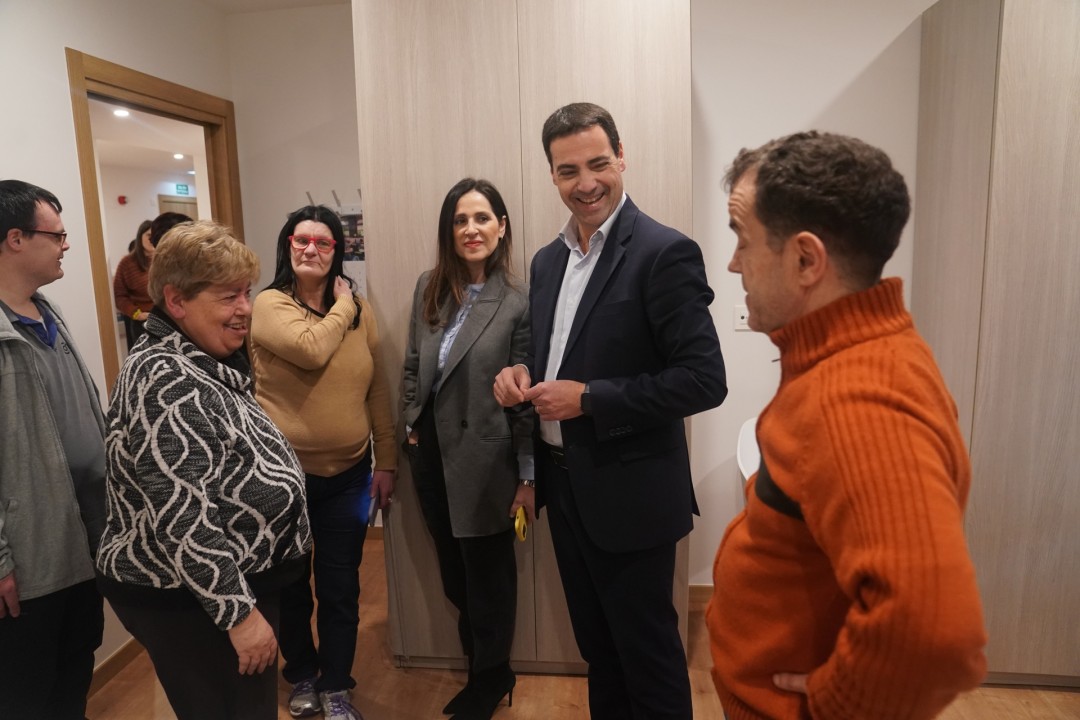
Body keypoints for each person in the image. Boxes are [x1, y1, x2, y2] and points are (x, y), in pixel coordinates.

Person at [707, 131, 988, 719]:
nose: (733, 263)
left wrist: (835, 706)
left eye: (742, 239)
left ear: (806, 260)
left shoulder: (855, 395)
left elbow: (937, 633)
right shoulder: (853, 359)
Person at [494, 102, 728, 719]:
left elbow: (703, 381)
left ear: (622, 158)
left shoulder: (664, 252)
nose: (586, 183)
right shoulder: (547, 261)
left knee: (648, 660)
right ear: (552, 175)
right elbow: (550, 355)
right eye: (568, 170)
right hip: (565, 490)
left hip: (633, 495)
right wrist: (521, 375)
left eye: (598, 163)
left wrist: (589, 399)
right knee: (599, 652)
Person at [96, 220, 312, 720]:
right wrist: (238, 615)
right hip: (196, 601)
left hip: (219, 590)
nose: (245, 308)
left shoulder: (201, 357)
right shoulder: (164, 378)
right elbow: (182, 513)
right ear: (176, 301)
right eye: (229, 296)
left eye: (247, 293)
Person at [249, 205, 395, 720]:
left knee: (340, 587)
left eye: (324, 242)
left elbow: (378, 387)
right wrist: (344, 303)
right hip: (283, 478)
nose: (311, 249)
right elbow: (310, 349)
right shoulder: (268, 304)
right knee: (291, 588)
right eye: (302, 240)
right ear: (288, 245)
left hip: (350, 476)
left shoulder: (359, 310)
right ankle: (302, 675)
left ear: (338, 250)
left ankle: (336, 684)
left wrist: (386, 459)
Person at [402, 178, 532, 720]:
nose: (471, 229)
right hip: (430, 453)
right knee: (455, 575)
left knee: (489, 581)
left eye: (481, 218)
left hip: (486, 461)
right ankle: (483, 667)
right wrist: (410, 424)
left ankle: (491, 676)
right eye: (460, 220)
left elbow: (524, 399)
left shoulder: (517, 302)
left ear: (501, 227)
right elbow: (413, 365)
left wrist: (527, 476)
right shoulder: (429, 287)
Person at [0, 179, 107, 718]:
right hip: (28, 565)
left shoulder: (50, 314)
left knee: (72, 680)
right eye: (57, 235)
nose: (66, 245)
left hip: (81, 546)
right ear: (15, 238)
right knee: (28, 696)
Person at [113, 218, 153, 348]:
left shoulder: (166, 260)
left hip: (167, 320)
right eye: (148, 235)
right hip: (142, 322)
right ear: (140, 236)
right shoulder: (127, 263)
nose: (152, 239)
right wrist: (137, 314)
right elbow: (119, 296)